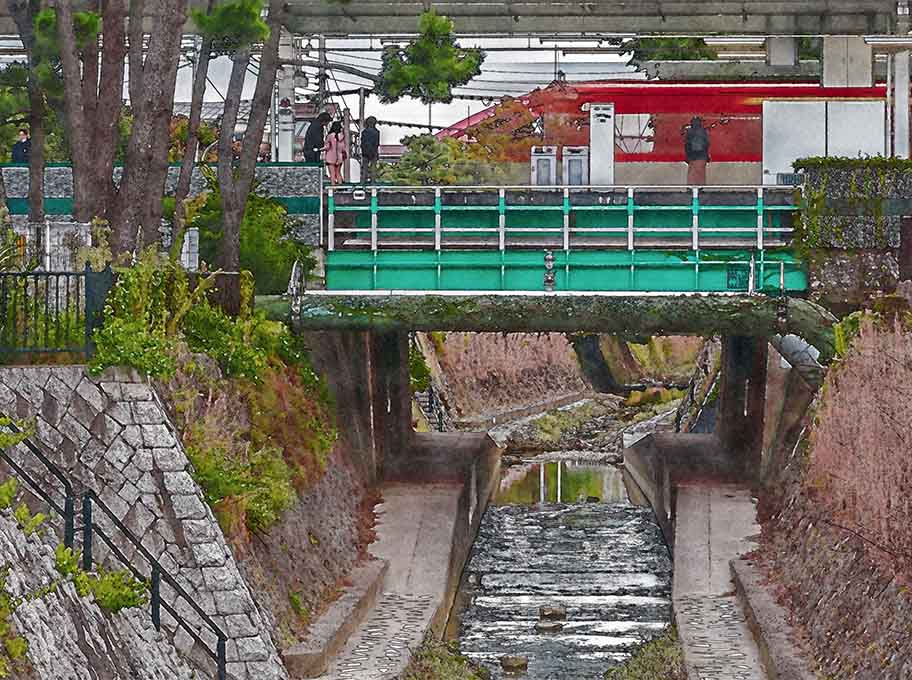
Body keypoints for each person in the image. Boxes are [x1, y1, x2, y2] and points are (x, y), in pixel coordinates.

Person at [684, 117, 710, 185]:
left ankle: (691, 188)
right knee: (700, 173)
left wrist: (687, 156)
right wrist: (707, 156)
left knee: (692, 173)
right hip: (702, 155)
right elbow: (706, 144)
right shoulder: (703, 131)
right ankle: (700, 188)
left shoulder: (689, 132)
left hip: (692, 156)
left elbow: (687, 145)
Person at [323, 120, 348, 185]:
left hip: (330, 157)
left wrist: (320, 149)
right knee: (338, 173)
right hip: (339, 157)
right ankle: (340, 187)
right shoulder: (342, 136)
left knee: (332, 174)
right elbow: (343, 147)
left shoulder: (330, 136)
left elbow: (327, 147)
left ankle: (333, 189)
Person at [360, 116, 380, 183]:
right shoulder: (377, 132)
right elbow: (377, 143)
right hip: (374, 152)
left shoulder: (364, 132)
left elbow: (362, 143)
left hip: (365, 152)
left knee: (364, 168)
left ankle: (363, 182)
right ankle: (373, 182)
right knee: (373, 168)